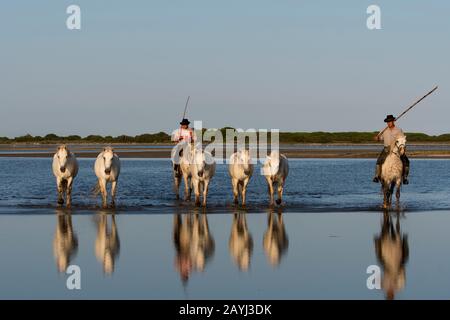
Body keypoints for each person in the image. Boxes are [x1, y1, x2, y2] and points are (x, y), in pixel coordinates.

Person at [373, 115, 410, 184]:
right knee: (379, 160)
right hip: (387, 148)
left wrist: (402, 149)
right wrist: (377, 138)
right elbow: (381, 138)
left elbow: (402, 139)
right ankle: (377, 176)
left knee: (406, 161)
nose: (389, 123)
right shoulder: (384, 130)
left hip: (396, 149)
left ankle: (405, 177)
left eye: (390, 121)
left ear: (393, 121)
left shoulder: (398, 130)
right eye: (387, 122)